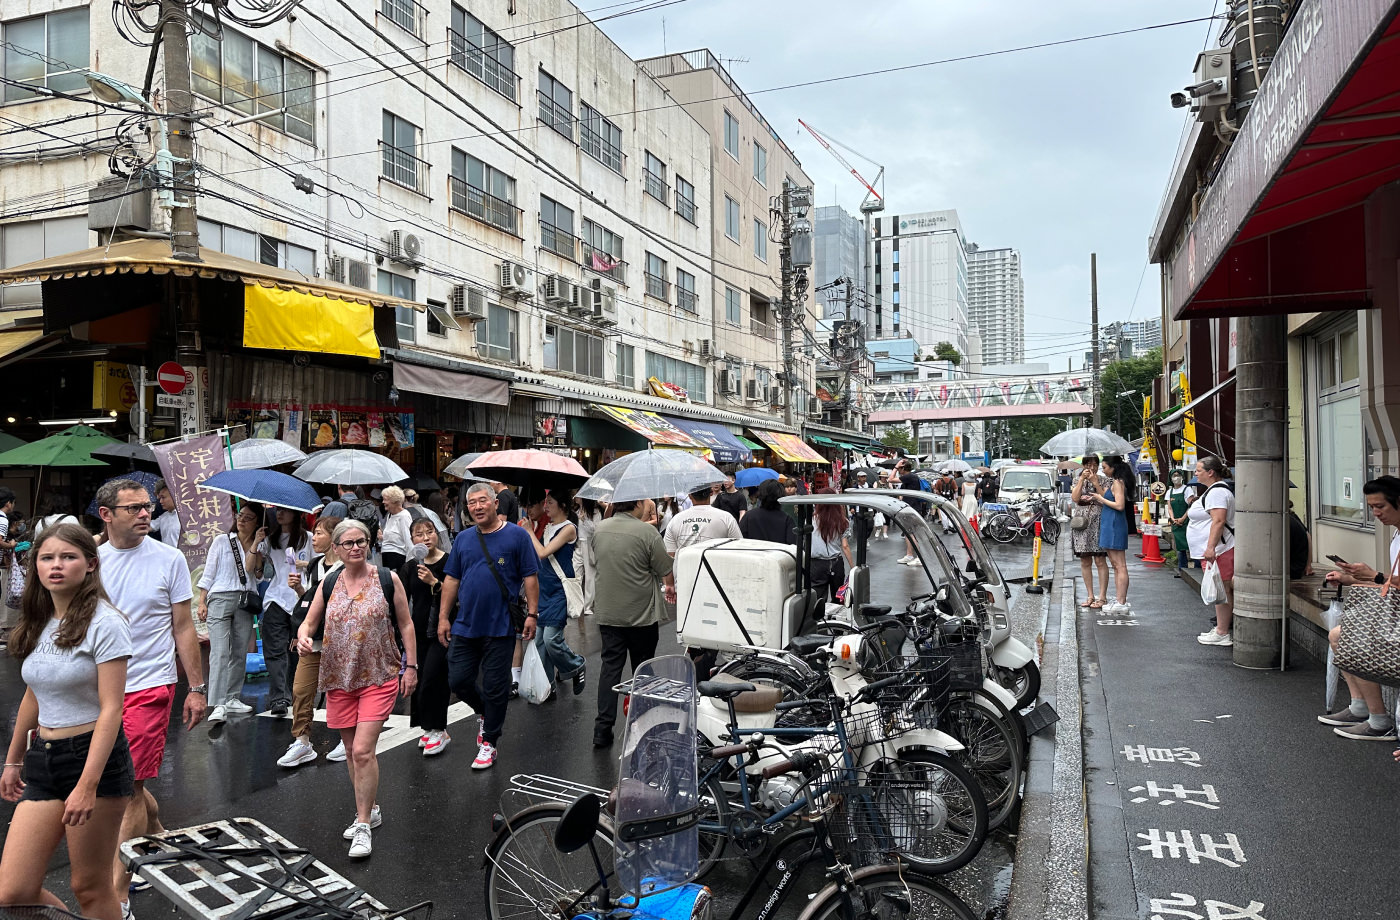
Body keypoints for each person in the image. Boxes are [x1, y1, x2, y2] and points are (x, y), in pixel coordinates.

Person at [0, 523, 133, 920]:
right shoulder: (40, 620)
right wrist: (13, 760)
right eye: (47, 558)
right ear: (35, 565)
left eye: (68, 557)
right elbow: (34, 694)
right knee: (13, 891)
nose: (56, 565)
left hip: (92, 761)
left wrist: (87, 785)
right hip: (42, 758)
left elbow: (112, 708)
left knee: (89, 888)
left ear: (91, 565)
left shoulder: (106, 622)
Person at [94, 479, 205, 920]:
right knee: (119, 781)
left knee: (128, 785)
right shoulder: (90, 562)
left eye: (148, 507)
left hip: (150, 685)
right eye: (135, 508)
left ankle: (119, 893)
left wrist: (195, 689)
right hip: (100, 688)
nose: (146, 514)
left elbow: (183, 626)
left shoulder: (169, 558)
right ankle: (155, 830)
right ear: (106, 514)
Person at [296, 520, 416, 859]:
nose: (354, 548)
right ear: (335, 548)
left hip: (379, 676)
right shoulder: (328, 583)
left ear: (369, 544)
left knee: (363, 751)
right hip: (339, 679)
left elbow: (406, 623)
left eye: (360, 541)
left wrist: (411, 667)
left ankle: (362, 823)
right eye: (347, 543)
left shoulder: (387, 579)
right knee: (350, 753)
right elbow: (309, 621)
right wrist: (305, 635)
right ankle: (371, 808)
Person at [438, 482, 539, 771]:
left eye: (483, 501)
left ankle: (490, 742)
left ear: (496, 503)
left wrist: (532, 614)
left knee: (497, 687)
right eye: (472, 503)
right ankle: (483, 711)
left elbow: (530, 577)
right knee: (458, 680)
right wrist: (445, 617)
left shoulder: (517, 536)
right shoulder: (464, 539)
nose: (478, 507)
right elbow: (452, 580)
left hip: (501, 626)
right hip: (465, 625)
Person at [1320, 476, 1400, 741]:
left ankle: (1377, 720)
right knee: (1339, 636)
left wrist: (1373, 575)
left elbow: (1387, 580)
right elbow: (1391, 581)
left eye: (1381, 507)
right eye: (1372, 508)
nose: (1376, 513)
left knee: (1350, 638)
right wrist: (1351, 578)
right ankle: (1362, 708)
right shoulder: (1396, 534)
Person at [591, 498, 675, 748]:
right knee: (643, 668)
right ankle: (644, 722)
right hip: (641, 614)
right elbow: (664, 568)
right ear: (637, 504)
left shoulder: (600, 529)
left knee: (610, 670)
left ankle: (602, 729)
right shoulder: (646, 531)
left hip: (608, 612)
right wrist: (668, 584)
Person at [278, 516, 342, 768]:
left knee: (340, 692)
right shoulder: (315, 564)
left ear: (334, 537)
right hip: (313, 640)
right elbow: (313, 602)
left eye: (318, 533)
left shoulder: (348, 566)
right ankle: (302, 741)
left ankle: (348, 740)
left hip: (339, 642)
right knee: (301, 690)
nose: (313, 537)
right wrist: (299, 592)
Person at [196, 503, 265, 722]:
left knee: (239, 651)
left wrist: (255, 545)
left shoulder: (260, 546)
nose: (242, 520)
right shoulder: (222, 541)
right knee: (219, 651)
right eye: (240, 515)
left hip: (245, 601)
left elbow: (255, 574)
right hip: (220, 598)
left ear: (257, 522)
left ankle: (232, 697)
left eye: (248, 517)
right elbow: (209, 572)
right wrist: (202, 601)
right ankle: (217, 703)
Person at [399, 517, 454, 755]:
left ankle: (439, 729)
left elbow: (457, 597)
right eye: (419, 534)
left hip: (442, 630)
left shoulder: (449, 562)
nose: (425, 538)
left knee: (434, 679)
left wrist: (434, 582)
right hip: (417, 631)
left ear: (437, 534)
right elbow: (401, 599)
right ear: (412, 540)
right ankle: (427, 727)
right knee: (420, 679)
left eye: (429, 532)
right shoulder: (411, 566)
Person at [526, 491, 586, 699]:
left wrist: (529, 532)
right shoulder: (548, 527)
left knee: (551, 639)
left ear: (562, 505)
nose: (546, 506)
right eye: (545, 502)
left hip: (559, 590)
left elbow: (543, 552)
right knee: (541, 641)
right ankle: (548, 686)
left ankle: (576, 664)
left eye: (550, 502)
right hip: (544, 588)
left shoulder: (569, 528)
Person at [1188, 456, 1236, 647]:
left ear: (1210, 472)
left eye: (1199, 470)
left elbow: (1218, 520)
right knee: (1221, 590)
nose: (1195, 473)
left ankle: (1223, 631)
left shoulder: (1216, 492)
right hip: (1219, 549)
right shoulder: (1214, 491)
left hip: (1221, 549)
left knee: (1222, 590)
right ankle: (1220, 629)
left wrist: (1210, 547)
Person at [1071, 457, 1111, 609]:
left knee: (1100, 560)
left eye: (1095, 464)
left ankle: (1102, 597)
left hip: (1099, 522)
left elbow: (1106, 499)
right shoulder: (1077, 479)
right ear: (1084, 465)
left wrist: (1095, 482)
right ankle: (1090, 595)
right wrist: (1082, 479)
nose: (1092, 467)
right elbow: (1075, 498)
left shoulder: (1105, 480)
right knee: (1085, 561)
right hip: (1082, 524)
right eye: (1088, 465)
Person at [1093, 457, 1131, 614]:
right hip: (1110, 524)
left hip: (1115, 525)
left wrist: (1100, 498)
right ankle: (1119, 598)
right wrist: (1098, 497)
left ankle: (1121, 601)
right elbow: (1111, 501)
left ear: (1113, 467)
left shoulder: (1118, 482)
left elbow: (1120, 505)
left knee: (1119, 564)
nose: (1103, 470)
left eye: (1104, 467)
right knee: (1116, 565)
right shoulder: (1115, 482)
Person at [664, 485, 742, 556]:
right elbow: (739, 548)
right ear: (711, 493)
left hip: (684, 570)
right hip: (716, 569)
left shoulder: (675, 520)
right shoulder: (726, 518)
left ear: (690, 495)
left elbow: (670, 554)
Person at [810, 489, 853, 603]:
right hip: (836, 563)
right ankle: (836, 619)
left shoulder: (811, 520)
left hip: (816, 564)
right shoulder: (842, 521)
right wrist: (853, 567)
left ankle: (819, 620)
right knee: (838, 597)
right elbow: (845, 546)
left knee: (818, 598)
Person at [738, 479, 798, 545]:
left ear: (760, 494)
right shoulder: (787, 519)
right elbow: (792, 545)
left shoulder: (748, 516)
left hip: (753, 553)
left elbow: (739, 539)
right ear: (780, 495)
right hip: (778, 554)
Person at [574, 497, 603, 617]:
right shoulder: (576, 511)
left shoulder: (595, 512)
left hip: (588, 543)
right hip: (577, 544)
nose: (575, 497)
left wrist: (585, 519)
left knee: (590, 575)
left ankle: (588, 606)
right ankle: (576, 604)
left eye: (579, 495)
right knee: (575, 573)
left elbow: (596, 529)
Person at [1167, 469, 1197, 574]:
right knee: (1180, 547)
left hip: (1187, 521)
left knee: (1192, 545)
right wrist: (1173, 518)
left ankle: (1197, 569)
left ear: (1182, 477)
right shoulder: (1169, 492)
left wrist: (1183, 519)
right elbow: (1170, 508)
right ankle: (1182, 570)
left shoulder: (1187, 490)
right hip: (1176, 523)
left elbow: (1191, 506)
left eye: (1178, 475)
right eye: (1174, 475)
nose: (1176, 477)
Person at [898, 461, 929, 562]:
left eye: (900, 469)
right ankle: (910, 555)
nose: (898, 470)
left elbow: (890, 479)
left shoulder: (909, 477)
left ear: (903, 469)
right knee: (908, 532)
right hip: (910, 507)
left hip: (912, 508)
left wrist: (895, 467)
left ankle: (919, 557)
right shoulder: (910, 479)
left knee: (912, 533)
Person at [378, 486, 413, 572]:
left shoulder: (404, 516)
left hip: (397, 559)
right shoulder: (390, 515)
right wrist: (382, 537)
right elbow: (394, 537)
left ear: (394, 501)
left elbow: (409, 541)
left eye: (385, 499)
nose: (383, 502)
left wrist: (410, 565)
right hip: (387, 557)